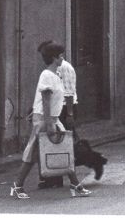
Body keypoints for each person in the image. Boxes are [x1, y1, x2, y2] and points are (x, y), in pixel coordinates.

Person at [10, 41, 91, 200]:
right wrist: (49, 124)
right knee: (33, 153)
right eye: (60, 56)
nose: (62, 58)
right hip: (44, 119)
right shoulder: (47, 75)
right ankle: (17, 185)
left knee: (65, 149)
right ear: (54, 58)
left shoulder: (56, 75)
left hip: (53, 118)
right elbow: (46, 100)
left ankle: (75, 184)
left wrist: (53, 121)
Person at [38, 43, 79, 189]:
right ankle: (54, 177)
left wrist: (70, 114)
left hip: (64, 108)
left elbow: (69, 92)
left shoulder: (65, 68)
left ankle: (60, 177)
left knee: (61, 143)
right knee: (54, 143)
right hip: (56, 108)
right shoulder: (51, 70)